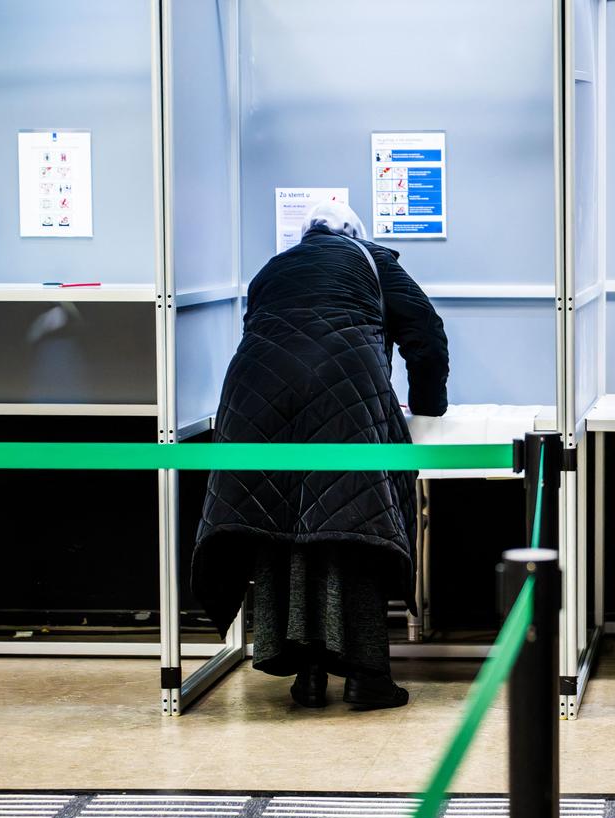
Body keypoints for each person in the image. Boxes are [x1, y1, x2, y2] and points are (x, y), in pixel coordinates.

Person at [192, 201, 449, 710]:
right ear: (357, 233)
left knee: (281, 528)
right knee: (352, 527)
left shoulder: (274, 269)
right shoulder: (372, 260)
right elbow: (426, 334)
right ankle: (366, 675)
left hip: (253, 402)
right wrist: (426, 412)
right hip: (343, 393)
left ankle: (304, 676)